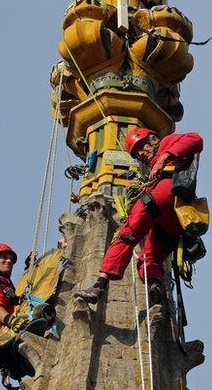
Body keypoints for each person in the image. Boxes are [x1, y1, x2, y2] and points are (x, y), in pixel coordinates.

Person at [76, 127, 203, 304]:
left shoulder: (166, 143)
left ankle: (100, 283)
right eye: (137, 153)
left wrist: (165, 157)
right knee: (148, 258)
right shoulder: (152, 170)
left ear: (152, 139)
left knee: (128, 232)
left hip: (168, 194)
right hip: (173, 220)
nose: (142, 154)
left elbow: (195, 138)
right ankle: (155, 291)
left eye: (141, 147)